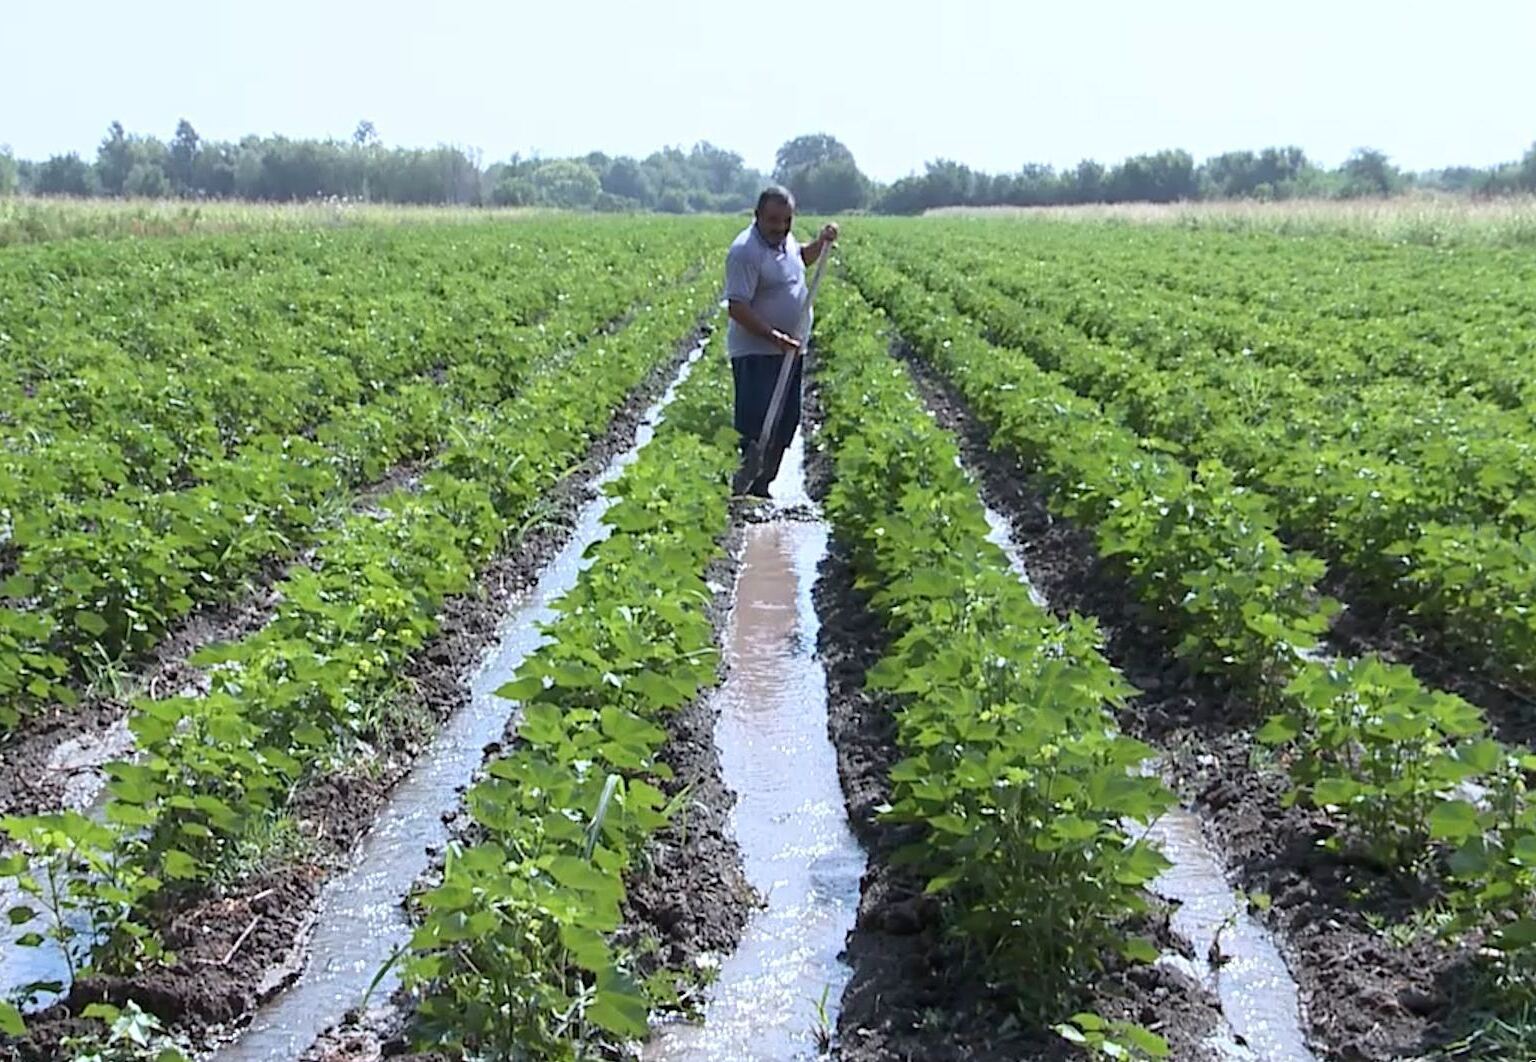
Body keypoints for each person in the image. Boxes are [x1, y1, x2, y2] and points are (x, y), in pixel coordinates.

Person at [724, 186, 838, 498]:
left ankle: (763, 486)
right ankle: (744, 488)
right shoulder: (745, 251)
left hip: (789, 350)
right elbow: (737, 307)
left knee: (787, 420)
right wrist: (774, 336)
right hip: (757, 352)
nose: (781, 227)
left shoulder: (785, 241)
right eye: (774, 220)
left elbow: (799, 259)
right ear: (757, 216)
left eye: (787, 220)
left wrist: (821, 243)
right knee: (756, 423)